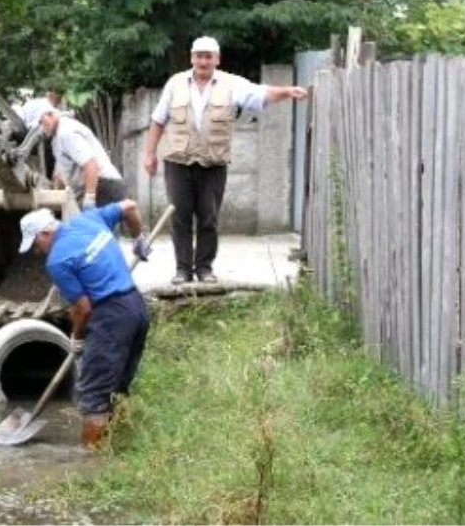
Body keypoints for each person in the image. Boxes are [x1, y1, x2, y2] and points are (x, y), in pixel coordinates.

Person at [142, 36, 307, 285]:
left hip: (213, 163)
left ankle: (205, 269)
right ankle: (183, 270)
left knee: (209, 217)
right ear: (191, 58)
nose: (203, 61)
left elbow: (260, 94)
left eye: (208, 56)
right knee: (180, 216)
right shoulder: (175, 83)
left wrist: (287, 91)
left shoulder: (231, 84)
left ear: (217, 59)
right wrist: (149, 153)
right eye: (199, 56)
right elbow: (158, 120)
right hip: (178, 162)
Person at [17, 200, 153, 447]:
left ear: (45, 233)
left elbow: (83, 308)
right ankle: (121, 446)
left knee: (92, 395)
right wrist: (139, 237)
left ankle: (89, 464)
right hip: (136, 308)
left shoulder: (57, 260)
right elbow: (130, 206)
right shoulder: (88, 219)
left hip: (111, 317)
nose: (38, 252)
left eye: (36, 245)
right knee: (118, 386)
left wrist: (77, 338)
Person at [25, 98, 126, 209]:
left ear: (50, 114)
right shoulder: (57, 138)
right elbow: (59, 174)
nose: (41, 128)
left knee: (91, 225)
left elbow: (91, 164)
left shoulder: (66, 132)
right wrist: (54, 202)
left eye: (40, 122)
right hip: (98, 187)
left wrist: (89, 200)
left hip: (104, 186)